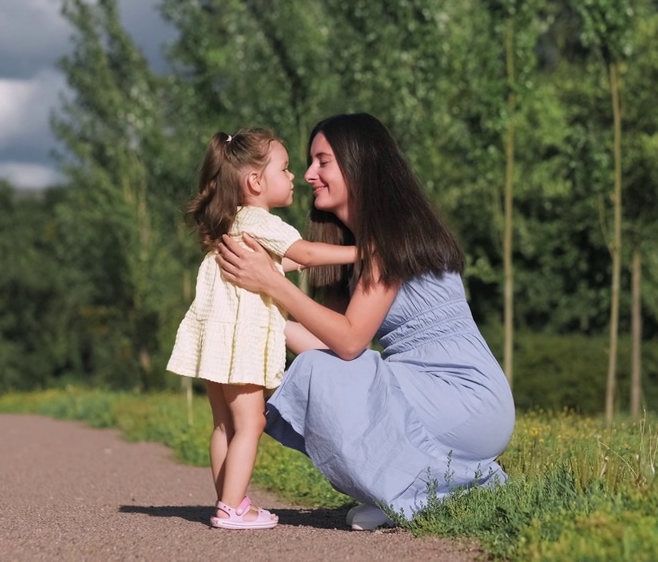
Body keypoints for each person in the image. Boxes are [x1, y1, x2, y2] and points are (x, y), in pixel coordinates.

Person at [216, 113, 516, 531]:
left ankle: (415, 494)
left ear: (358, 165)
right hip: (422, 388)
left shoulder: (396, 234)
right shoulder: (356, 249)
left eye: (322, 162)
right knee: (290, 377)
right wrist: (249, 310)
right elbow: (337, 353)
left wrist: (275, 284)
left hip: (468, 400)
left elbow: (351, 342)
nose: (307, 175)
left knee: (314, 374)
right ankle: (411, 494)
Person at [167, 128, 358, 530]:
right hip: (241, 342)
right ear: (255, 182)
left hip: (216, 341)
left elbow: (277, 263)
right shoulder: (262, 220)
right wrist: (362, 250)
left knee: (223, 424)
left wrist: (295, 263)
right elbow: (302, 250)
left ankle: (227, 500)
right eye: (285, 169)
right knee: (251, 422)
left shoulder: (235, 223)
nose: (293, 177)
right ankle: (233, 508)